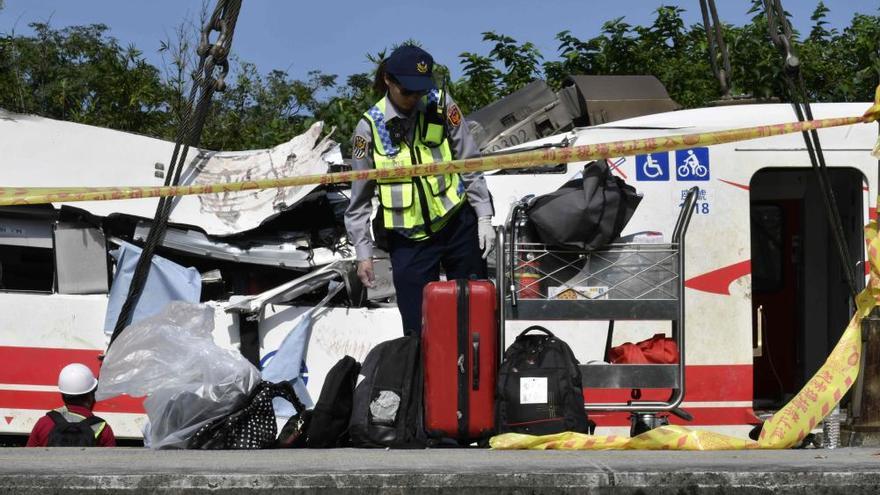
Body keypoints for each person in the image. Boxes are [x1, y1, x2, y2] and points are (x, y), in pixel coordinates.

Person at [344, 45, 495, 336]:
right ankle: (425, 381)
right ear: (388, 80)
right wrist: (363, 254)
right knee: (418, 330)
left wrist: (484, 216)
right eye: (408, 92)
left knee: (477, 318)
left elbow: (468, 159)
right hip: (408, 240)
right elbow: (359, 200)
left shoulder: (441, 105)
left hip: (456, 224)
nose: (415, 99)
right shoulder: (369, 128)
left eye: (420, 92)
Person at [26, 363, 116, 447]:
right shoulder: (103, 429)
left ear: (63, 395)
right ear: (91, 395)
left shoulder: (44, 423)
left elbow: (28, 457)